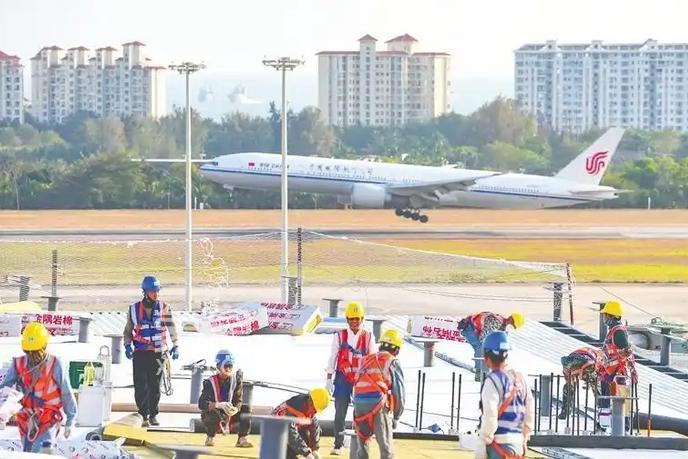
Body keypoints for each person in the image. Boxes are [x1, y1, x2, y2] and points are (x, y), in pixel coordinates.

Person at [0, 322, 77, 453]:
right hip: (26, 420)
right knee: (28, 452)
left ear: (44, 346)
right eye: (28, 352)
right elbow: (4, 389)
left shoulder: (55, 364)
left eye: (35, 352)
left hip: (48, 419)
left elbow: (66, 393)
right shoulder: (18, 364)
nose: (32, 355)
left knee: (44, 451)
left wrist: (70, 421)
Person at [123, 275, 179, 427]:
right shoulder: (134, 309)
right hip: (140, 353)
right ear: (145, 292)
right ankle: (143, 414)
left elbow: (171, 327)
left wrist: (176, 345)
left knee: (155, 385)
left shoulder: (164, 308)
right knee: (141, 385)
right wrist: (127, 345)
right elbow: (128, 330)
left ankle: (153, 414)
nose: (156, 294)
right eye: (153, 291)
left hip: (158, 353)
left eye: (157, 291)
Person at [476, 331, 534, 459]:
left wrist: (482, 442)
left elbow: (490, 416)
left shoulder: (492, 380)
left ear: (487, 358)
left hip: (498, 446)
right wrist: (524, 438)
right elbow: (529, 413)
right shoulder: (519, 379)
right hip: (517, 445)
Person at [325, 301, 373, 455]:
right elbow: (332, 357)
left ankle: (358, 443)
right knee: (340, 412)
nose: (354, 322)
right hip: (342, 378)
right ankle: (338, 444)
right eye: (351, 319)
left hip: (361, 380)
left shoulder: (369, 337)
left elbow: (373, 360)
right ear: (347, 320)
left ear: (362, 319)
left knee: (360, 413)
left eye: (357, 318)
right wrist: (328, 379)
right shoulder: (339, 336)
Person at [351, 329, 405, 459]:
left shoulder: (365, 360)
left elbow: (356, 383)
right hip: (377, 404)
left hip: (358, 403)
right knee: (386, 448)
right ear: (397, 350)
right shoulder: (392, 361)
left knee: (362, 445)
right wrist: (396, 416)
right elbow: (399, 392)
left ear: (380, 345)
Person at [198, 349, 252, 448]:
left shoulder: (236, 381)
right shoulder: (209, 382)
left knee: (246, 409)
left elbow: (238, 400)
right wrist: (217, 404)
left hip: (230, 413)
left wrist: (235, 409)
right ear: (219, 366)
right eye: (226, 366)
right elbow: (201, 404)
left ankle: (242, 438)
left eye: (230, 366)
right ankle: (210, 437)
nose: (228, 369)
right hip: (215, 413)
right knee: (212, 413)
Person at [598, 300, 637, 430]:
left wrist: (632, 370)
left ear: (612, 316)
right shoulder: (613, 330)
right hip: (609, 372)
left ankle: (623, 428)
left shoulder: (618, 332)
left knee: (621, 401)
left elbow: (626, 352)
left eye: (606, 315)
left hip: (618, 373)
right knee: (604, 398)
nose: (604, 318)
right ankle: (604, 424)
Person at [458, 312, 525, 381]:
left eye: (514, 327)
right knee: (481, 349)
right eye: (513, 325)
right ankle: (480, 374)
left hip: (475, 331)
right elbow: (483, 339)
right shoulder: (495, 322)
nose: (512, 328)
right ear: (510, 319)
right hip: (469, 329)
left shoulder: (503, 328)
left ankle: (483, 374)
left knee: (487, 352)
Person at [272, 388, 330, 459]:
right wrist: (306, 453)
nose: (315, 412)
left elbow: (314, 427)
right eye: (314, 409)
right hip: (274, 439)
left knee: (306, 433)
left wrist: (315, 449)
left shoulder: (306, 407)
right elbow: (291, 434)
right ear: (310, 402)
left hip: (288, 438)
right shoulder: (290, 411)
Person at [559, 347, 602, 419]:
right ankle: (566, 411)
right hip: (583, 362)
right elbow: (570, 382)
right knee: (568, 387)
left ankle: (601, 409)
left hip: (588, 364)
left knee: (596, 385)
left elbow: (592, 366)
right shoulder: (567, 366)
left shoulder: (592, 360)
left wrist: (585, 378)